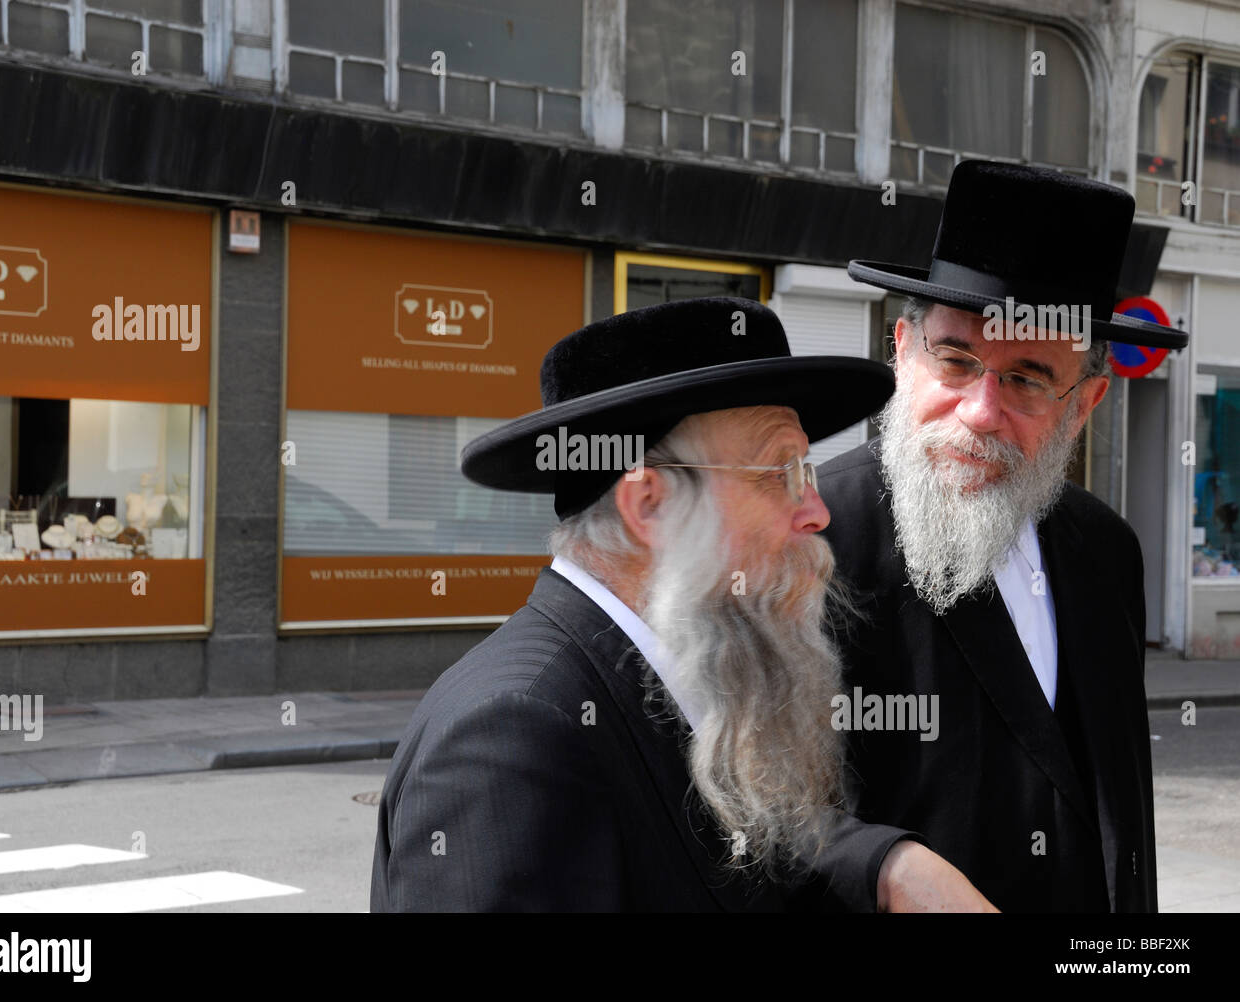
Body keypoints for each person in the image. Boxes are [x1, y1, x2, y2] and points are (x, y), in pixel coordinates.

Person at [370, 296, 993, 911]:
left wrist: (889, 869)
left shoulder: (674, 677)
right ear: (651, 507)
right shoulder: (514, 737)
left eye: (808, 470)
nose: (819, 511)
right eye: (780, 473)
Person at [818, 160, 1188, 912]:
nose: (980, 411)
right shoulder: (811, 536)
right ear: (901, 351)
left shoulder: (1107, 550)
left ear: (1083, 404)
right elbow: (738, 808)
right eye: (955, 360)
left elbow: (1119, 812)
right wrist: (882, 867)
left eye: (1024, 378)